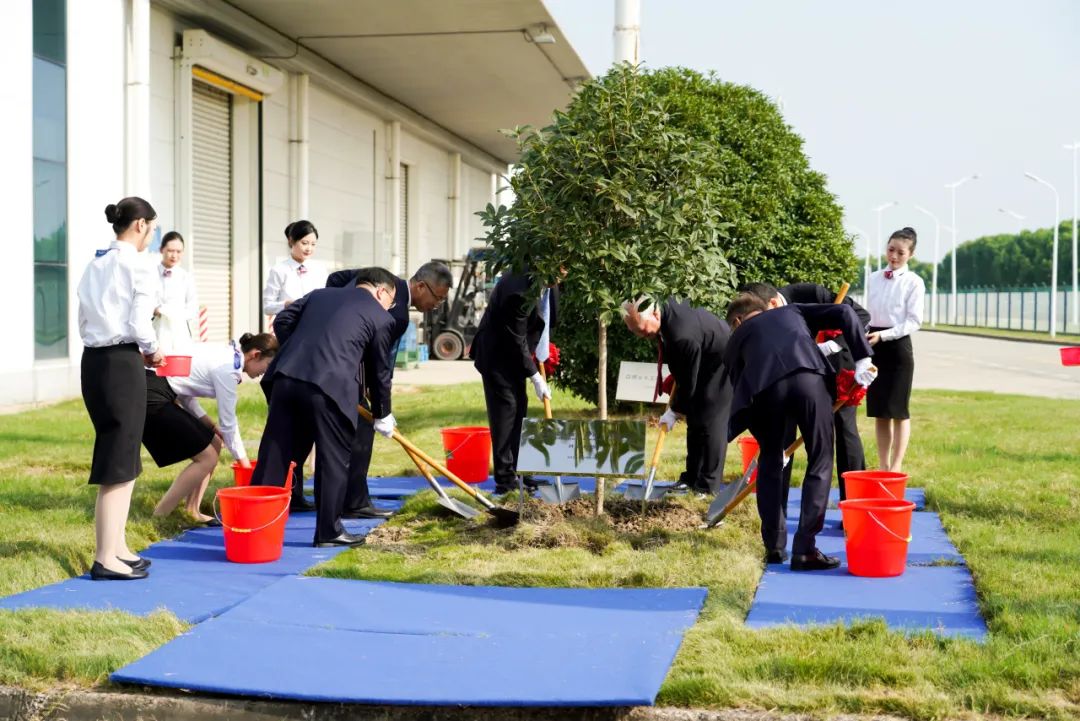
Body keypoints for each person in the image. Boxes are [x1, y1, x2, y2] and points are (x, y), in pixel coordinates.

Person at [724, 293, 875, 570]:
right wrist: (862, 357)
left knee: (770, 461)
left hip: (765, 393)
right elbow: (844, 312)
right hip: (808, 380)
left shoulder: (734, 341)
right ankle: (805, 548)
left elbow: (741, 395)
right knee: (820, 457)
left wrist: (767, 442)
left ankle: (774, 546)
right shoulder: (791, 311)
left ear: (737, 320)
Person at [251, 267, 398, 547]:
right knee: (333, 458)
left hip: (286, 378)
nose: (389, 308)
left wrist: (299, 346)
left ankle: (257, 526)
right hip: (329, 388)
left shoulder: (320, 295)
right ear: (382, 292)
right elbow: (380, 372)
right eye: (391, 301)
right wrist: (383, 412)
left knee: (275, 453)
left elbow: (283, 320)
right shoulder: (381, 317)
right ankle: (329, 532)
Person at [76, 197, 163, 581]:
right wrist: (154, 349)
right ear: (140, 225)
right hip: (122, 362)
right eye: (153, 227)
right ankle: (104, 558)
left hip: (94, 361)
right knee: (118, 460)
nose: (153, 235)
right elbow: (139, 319)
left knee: (124, 456)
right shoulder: (139, 265)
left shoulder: (96, 263)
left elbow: (85, 315)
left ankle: (118, 548)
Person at [325, 262, 454, 518]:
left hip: (338, 365)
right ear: (420, 286)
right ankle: (354, 503)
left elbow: (335, 278)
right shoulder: (398, 314)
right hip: (348, 371)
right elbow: (381, 360)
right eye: (437, 298)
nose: (437, 305)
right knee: (360, 437)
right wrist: (382, 408)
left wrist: (335, 307)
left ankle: (346, 499)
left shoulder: (381, 278)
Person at [739, 282, 871, 504]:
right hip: (795, 373)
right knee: (784, 435)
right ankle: (776, 507)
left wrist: (831, 345)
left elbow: (861, 316)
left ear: (773, 302)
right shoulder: (766, 315)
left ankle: (853, 503)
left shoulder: (810, 293)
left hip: (836, 367)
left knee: (844, 430)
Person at [144, 333, 278, 524]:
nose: (263, 374)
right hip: (152, 395)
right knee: (207, 457)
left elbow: (184, 392)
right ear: (255, 355)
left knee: (214, 444)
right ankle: (160, 516)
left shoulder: (228, 355)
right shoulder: (228, 370)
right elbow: (229, 423)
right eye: (265, 368)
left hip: (162, 390)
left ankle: (192, 510)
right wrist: (246, 466)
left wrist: (212, 427)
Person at [622, 297, 732, 494]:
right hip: (702, 355)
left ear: (655, 314)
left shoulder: (682, 335)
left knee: (710, 419)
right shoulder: (663, 310)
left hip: (721, 360)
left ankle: (707, 486)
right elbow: (684, 373)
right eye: (634, 331)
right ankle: (691, 478)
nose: (639, 334)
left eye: (640, 328)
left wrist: (675, 410)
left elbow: (688, 382)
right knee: (695, 418)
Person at [469, 271, 557, 495]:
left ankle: (520, 471)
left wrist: (542, 354)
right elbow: (515, 338)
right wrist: (535, 376)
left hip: (518, 353)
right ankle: (506, 479)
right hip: (497, 355)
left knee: (520, 409)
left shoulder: (550, 283)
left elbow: (543, 321)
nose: (564, 274)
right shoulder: (518, 290)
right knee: (506, 412)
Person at [865, 227, 925, 472]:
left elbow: (914, 321)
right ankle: (883, 464)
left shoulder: (914, 282)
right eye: (891, 250)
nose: (894, 256)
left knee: (899, 410)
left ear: (910, 254)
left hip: (898, 346)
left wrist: (884, 335)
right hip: (874, 345)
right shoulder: (874, 278)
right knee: (880, 410)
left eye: (900, 252)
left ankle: (896, 466)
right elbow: (869, 313)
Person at [262, 220, 328, 319]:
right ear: (291, 241)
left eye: (313, 244)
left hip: (316, 323)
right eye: (304, 243)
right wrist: (286, 304)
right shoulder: (279, 270)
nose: (309, 249)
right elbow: (267, 307)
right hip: (289, 325)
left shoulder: (320, 270)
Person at [153, 231, 198, 352]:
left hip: (179, 335)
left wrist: (170, 312)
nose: (174, 255)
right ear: (161, 249)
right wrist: (154, 310)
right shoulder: (150, 274)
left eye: (178, 252)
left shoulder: (186, 277)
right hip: (154, 333)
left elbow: (193, 309)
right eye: (170, 250)